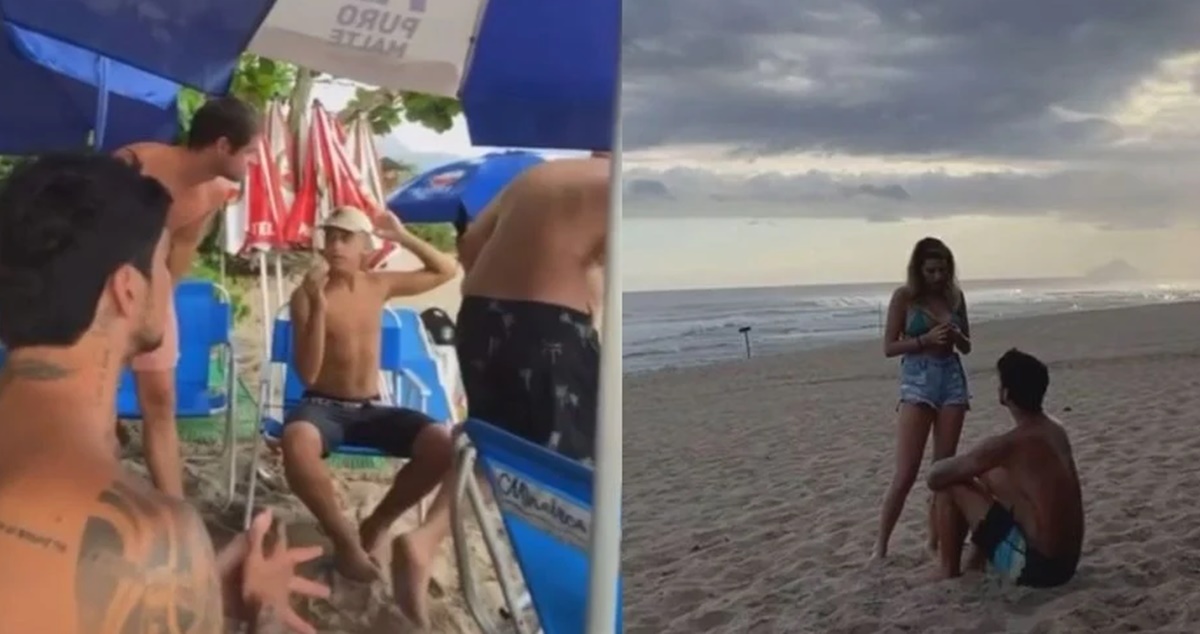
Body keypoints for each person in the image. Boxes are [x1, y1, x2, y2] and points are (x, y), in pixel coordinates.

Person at [0, 154, 327, 633]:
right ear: (127, 290)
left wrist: (200, 588)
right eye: (162, 260)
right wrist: (264, 613)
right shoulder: (150, 539)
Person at [281, 205, 458, 587]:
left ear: (365, 247)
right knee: (295, 440)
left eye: (346, 238)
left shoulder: (378, 285)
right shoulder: (306, 295)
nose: (335, 246)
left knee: (441, 443)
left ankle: (376, 524)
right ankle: (344, 541)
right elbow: (308, 373)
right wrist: (318, 308)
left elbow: (447, 270)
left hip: (371, 407)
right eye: (330, 237)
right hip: (323, 407)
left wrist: (401, 236)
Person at [114, 95, 261, 499]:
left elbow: (182, 246)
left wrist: (160, 305)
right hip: (101, 291)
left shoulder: (215, 191)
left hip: (151, 288)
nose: (252, 163)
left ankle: (172, 506)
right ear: (222, 146)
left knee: (161, 399)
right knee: (94, 396)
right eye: (249, 152)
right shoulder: (136, 163)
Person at [454, 154, 609, 461]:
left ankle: (441, 512)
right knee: (565, 458)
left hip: (479, 317)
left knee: (493, 447)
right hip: (549, 327)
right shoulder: (616, 183)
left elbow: (471, 242)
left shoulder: (537, 175)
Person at [926, 349, 1083, 586]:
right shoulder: (1055, 430)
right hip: (1066, 564)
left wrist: (972, 463)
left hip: (1037, 571)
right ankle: (974, 563)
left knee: (951, 486)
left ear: (1006, 393)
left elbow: (935, 477)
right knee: (991, 475)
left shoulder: (1010, 444)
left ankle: (948, 570)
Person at [874, 237, 973, 560]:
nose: (937, 277)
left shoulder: (955, 297)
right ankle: (881, 546)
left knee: (942, 470)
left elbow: (968, 346)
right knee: (905, 472)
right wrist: (924, 339)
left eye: (943, 270)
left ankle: (935, 539)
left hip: (951, 378)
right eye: (931, 270)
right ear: (919, 269)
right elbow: (889, 347)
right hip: (918, 378)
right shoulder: (904, 298)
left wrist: (956, 336)